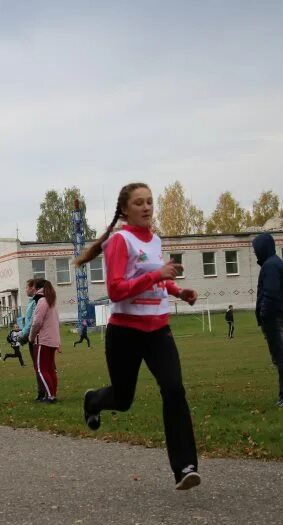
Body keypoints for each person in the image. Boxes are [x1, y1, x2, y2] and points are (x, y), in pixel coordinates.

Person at [75, 182, 201, 491]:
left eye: (150, 202)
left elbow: (156, 280)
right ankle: (93, 400)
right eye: (139, 203)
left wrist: (178, 291)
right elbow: (116, 289)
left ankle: (185, 467)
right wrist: (157, 275)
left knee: (174, 389)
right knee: (123, 398)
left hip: (158, 329)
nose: (147, 207)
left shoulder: (155, 240)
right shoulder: (121, 241)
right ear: (126, 210)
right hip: (125, 332)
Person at [253, 232, 283, 407]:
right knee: (280, 357)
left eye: (256, 249)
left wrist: (264, 314)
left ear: (263, 248)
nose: (255, 253)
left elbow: (270, 294)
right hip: (276, 316)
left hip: (272, 318)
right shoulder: (275, 263)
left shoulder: (270, 266)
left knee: (280, 358)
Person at [28, 279, 61, 404]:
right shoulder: (51, 301)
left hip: (43, 340)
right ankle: (52, 394)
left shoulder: (41, 301)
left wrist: (31, 337)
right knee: (50, 369)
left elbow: (37, 322)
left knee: (41, 369)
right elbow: (56, 322)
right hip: (52, 340)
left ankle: (50, 397)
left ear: (37, 288)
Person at [18, 279, 47, 402]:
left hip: (35, 338)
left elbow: (33, 322)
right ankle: (42, 392)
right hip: (33, 337)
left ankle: (44, 392)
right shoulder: (32, 301)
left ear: (32, 288)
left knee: (40, 366)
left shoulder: (37, 301)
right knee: (39, 366)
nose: (25, 290)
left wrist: (24, 336)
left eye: (26, 287)